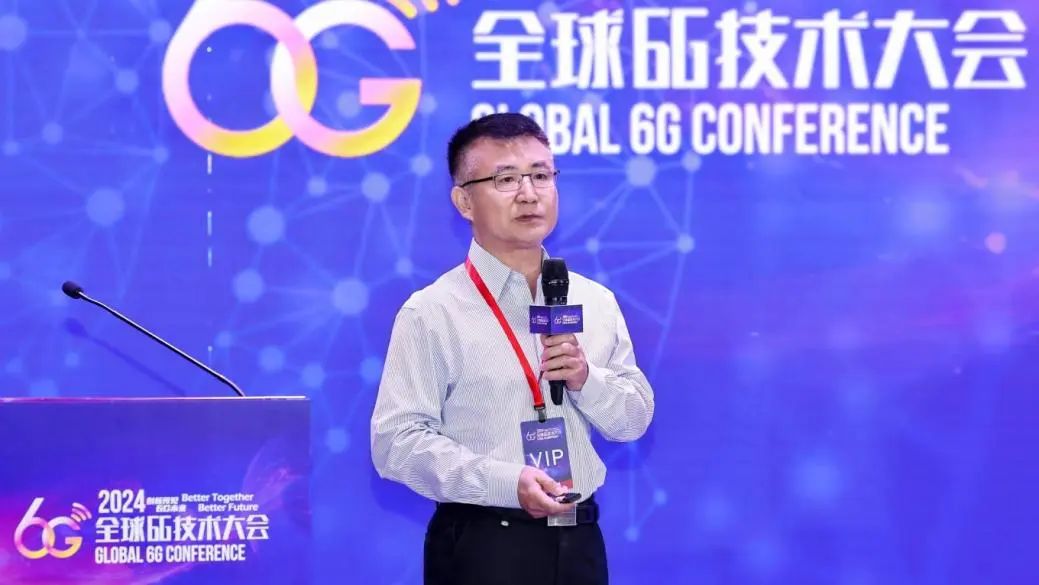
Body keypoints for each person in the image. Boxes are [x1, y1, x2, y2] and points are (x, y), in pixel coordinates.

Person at [370, 112, 654, 585]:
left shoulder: (594, 301)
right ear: (464, 200)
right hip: (484, 542)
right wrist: (506, 482)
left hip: (579, 537)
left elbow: (633, 420)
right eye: (506, 179)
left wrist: (585, 379)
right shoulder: (432, 312)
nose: (529, 193)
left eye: (541, 175)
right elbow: (396, 443)